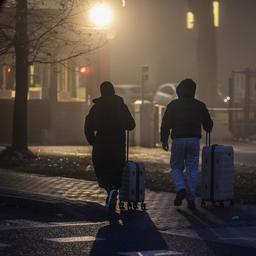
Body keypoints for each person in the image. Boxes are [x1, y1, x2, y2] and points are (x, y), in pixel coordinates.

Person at [160, 78, 213, 209]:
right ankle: (191, 198)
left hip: (178, 139)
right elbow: (208, 125)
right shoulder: (200, 105)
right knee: (192, 169)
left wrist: (164, 140)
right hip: (194, 140)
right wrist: (207, 125)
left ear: (179, 91)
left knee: (176, 166)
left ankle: (180, 188)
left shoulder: (173, 105)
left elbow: (165, 124)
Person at [84, 81, 135, 212]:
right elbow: (131, 124)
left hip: (102, 142)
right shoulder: (121, 105)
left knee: (100, 166)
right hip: (118, 143)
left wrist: (92, 140)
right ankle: (113, 191)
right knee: (117, 168)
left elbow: (88, 124)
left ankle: (110, 190)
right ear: (113, 91)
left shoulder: (97, 107)